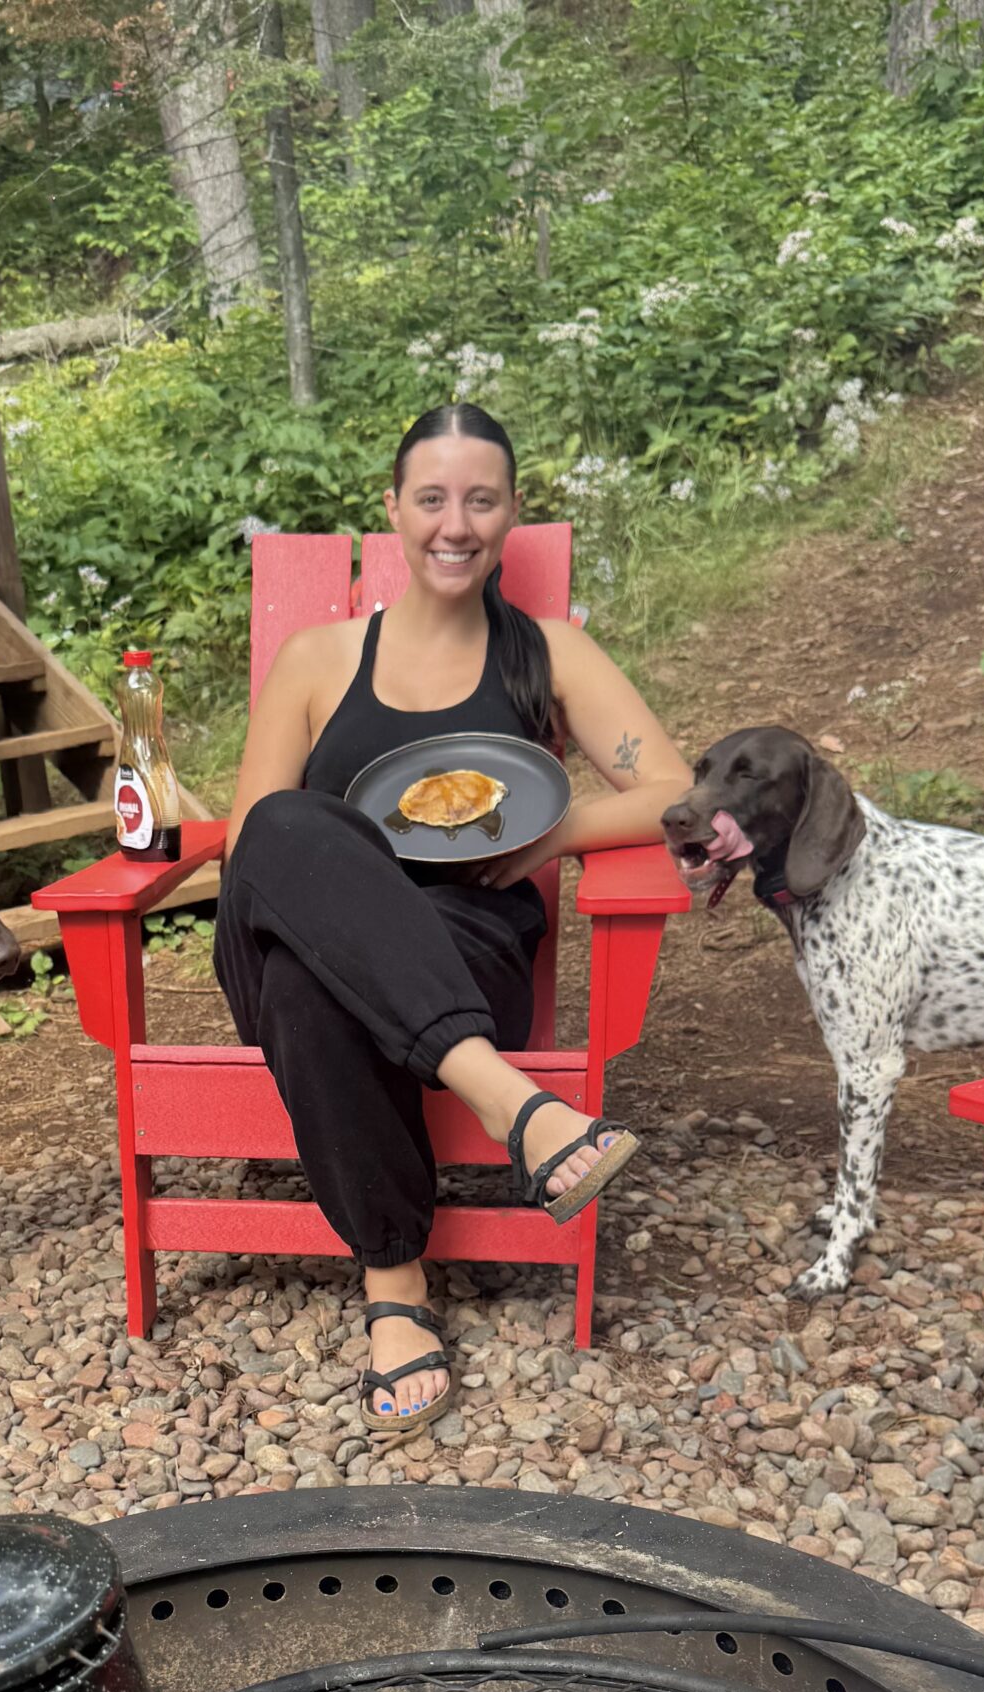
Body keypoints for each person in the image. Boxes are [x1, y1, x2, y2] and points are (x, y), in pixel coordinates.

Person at [216, 401, 691, 1434]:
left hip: (466, 944)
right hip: (297, 921)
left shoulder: (548, 653)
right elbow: (252, 842)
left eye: (481, 500)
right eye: (432, 499)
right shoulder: (317, 657)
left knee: (313, 993)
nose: (455, 523)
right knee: (292, 832)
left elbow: (672, 789)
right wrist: (335, 865)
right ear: (393, 509)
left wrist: (551, 837)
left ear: (514, 513)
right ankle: (521, 1110)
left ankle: (395, 1291)